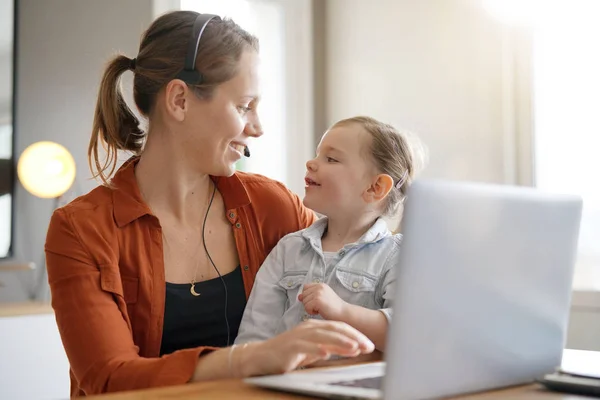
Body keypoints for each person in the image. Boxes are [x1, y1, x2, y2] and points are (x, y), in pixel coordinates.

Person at [44, 11, 373, 397]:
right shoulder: (81, 230)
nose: (258, 126)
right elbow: (109, 379)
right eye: (244, 105)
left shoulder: (272, 206)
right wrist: (251, 358)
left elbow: (361, 275)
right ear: (180, 100)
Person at [235, 116, 420, 353]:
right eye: (317, 154)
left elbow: (408, 337)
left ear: (375, 188)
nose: (311, 163)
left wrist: (342, 311)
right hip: (282, 384)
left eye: (331, 159)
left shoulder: (398, 256)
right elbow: (253, 337)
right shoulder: (287, 249)